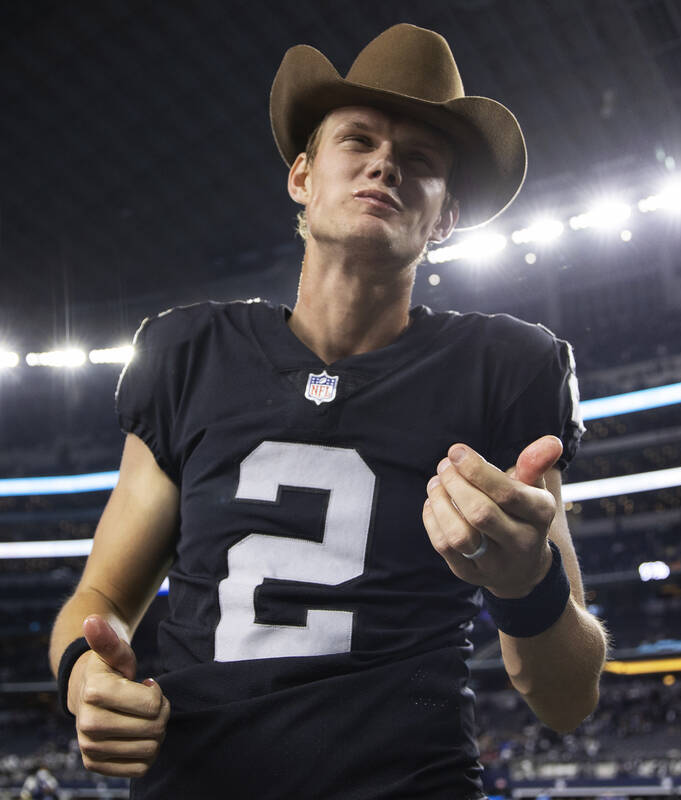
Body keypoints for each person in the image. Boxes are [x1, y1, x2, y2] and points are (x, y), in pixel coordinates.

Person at [48, 24, 607, 799]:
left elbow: (567, 698)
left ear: (446, 220)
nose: (385, 163)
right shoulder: (189, 355)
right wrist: (84, 676)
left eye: (420, 160)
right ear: (302, 176)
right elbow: (99, 599)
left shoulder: (506, 369)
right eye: (359, 140)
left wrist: (526, 582)